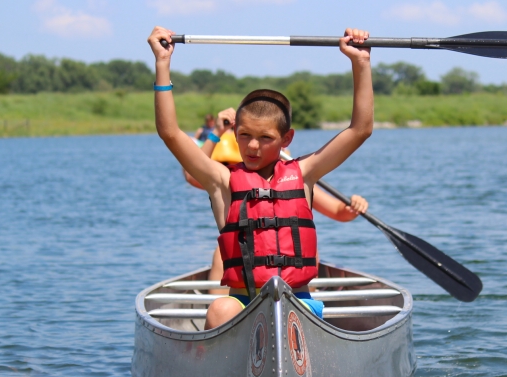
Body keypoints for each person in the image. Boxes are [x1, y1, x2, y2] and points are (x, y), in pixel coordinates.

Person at [148, 25, 373, 329]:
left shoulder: (304, 173)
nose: (252, 146)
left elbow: (360, 130)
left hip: (298, 303)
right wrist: (163, 64)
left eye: (265, 137)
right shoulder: (223, 181)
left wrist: (360, 64)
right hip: (243, 302)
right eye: (244, 135)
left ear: (286, 139)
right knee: (220, 307)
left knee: (300, 317)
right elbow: (171, 133)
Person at [183, 112, 369, 294]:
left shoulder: (295, 179)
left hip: (293, 282)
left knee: (304, 246)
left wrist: (353, 206)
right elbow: (192, 176)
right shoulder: (230, 179)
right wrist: (217, 131)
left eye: (267, 138)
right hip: (245, 278)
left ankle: (303, 303)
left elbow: (338, 212)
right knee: (224, 250)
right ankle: (225, 312)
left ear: (284, 141)